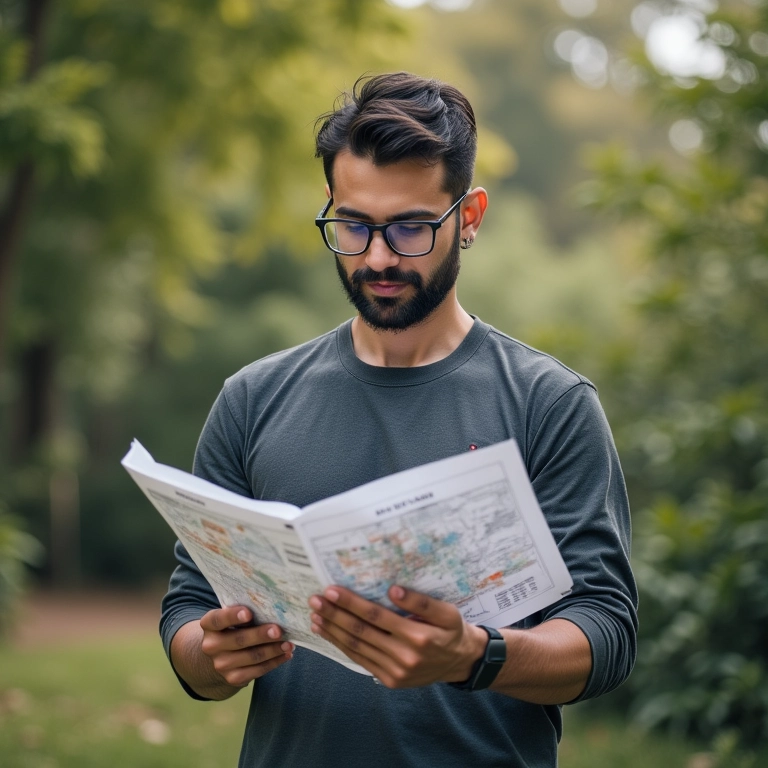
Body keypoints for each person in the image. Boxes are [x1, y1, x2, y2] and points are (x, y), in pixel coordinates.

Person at [161, 72, 638, 767]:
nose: (377, 257)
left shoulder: (550, 403)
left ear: (468, 217)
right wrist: (214, 654)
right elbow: (187, 613)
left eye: (410, 227)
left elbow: (606, 633)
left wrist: (475, 655)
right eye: (352, 225)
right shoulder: (251, 398)